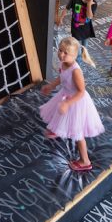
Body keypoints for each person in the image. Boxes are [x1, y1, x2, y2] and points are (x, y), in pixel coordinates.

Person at [40, 37, 105, 171]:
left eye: (65, 53)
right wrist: (51, 86)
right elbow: (61, 77)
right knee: (57, 110)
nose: (61, 54)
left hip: (77, 101)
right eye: (60, 50)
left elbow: (81, 91)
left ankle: (85, 161)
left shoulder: (76, 71)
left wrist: (68, 103)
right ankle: (57, 130)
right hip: (66, 94)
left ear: (75, 55)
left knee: (77, 132)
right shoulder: (63, 63)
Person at [55, 0, 98, 68]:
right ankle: (76, 68)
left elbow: (89, 16)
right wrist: (61, 18)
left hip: (87, 30)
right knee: (77, 50)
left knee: (84, 49)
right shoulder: (75, 0)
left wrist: (89, 4)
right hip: (76, 29)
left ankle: (78, 64)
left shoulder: (93, 3)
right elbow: (66, 9)